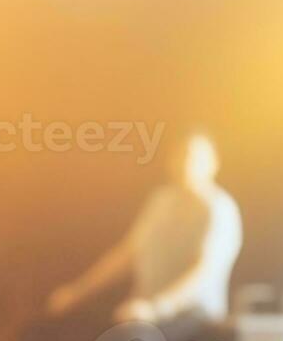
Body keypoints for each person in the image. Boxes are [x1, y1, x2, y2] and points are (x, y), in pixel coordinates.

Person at [46, 132, 243, 329]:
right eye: (181, 155)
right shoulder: (161, 201)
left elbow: (204, 270)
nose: (186, 162)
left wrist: (157, 308)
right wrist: (76, 292)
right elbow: (128, 254)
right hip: (143, 311)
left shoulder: (219, 209)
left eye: (194, 157)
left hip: (194, 316)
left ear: (214, 163)